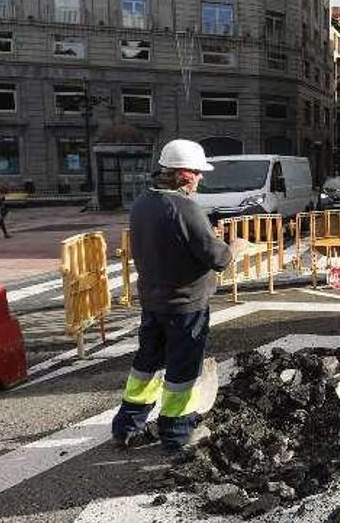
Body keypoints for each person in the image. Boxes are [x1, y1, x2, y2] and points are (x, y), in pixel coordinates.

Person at [111, 140, 248, 450]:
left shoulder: (143, 202)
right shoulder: (185, 208)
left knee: (147, 364)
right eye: (198, 173)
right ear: (184, 174)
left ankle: (127, 427)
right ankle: (176, 434)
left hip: (154, 301)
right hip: (186, 305)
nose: (201, 179)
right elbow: (218, 258)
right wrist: (235, 247)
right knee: (183, 372)